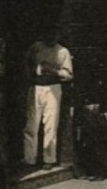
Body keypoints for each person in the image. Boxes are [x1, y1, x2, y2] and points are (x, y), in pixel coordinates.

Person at [23, 27, 74, 169]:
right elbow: (27, 61)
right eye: (49, 34)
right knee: (31, 124)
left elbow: (69, 74)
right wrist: (31, 72)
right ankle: (29, 159)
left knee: (50, 124)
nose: (51, 37)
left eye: (54, 35)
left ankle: (49, 159)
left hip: (53, 87)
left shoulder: (63, 51)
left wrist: (54, 71)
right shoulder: (36, 47)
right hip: (36, 87)